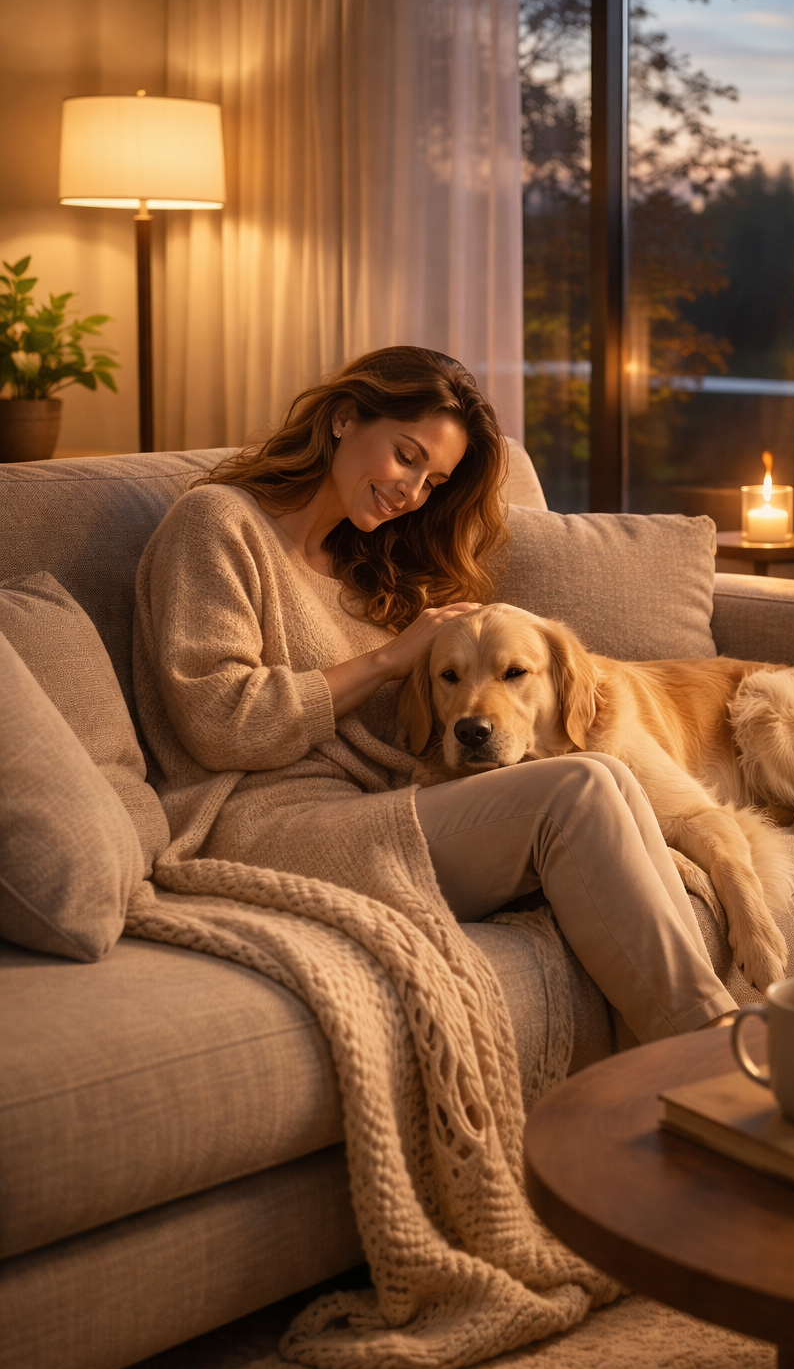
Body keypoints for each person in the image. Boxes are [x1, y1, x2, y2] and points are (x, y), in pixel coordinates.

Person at [134, 346, 736, 1044]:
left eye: (433, 478)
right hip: (259, 824)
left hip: (383, 804)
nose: (412, 491)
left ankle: (689, 1051)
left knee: (598, 770)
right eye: (405, 455)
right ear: (343, 419)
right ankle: (712, 1059)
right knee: (576, 790)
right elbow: (221, 724)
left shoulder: (368, 563)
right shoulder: (217, 524)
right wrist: (391, 659)